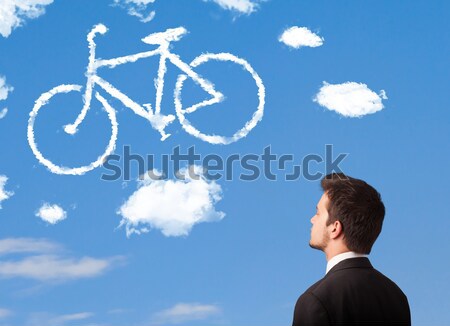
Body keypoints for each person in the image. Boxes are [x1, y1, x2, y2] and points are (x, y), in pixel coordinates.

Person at [292, 173, 411, 325]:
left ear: (335, 228)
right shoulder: (396, 296)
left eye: (318, 213)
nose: (312, 219)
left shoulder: (315, 300)